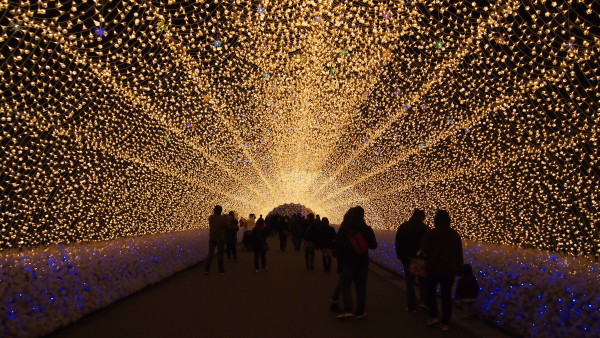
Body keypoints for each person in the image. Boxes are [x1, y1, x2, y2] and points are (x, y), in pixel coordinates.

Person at [421, 210, 463, 331]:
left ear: (436, 220)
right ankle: (445, 323)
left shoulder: (431, 234)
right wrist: (459, 269)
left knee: (430, 293)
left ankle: (434, 316)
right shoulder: (454, 234)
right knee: (446, 296)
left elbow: (424, 251)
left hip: (433, 269)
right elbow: (458, 254)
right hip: (449, 270)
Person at [335, 206, 377, 320]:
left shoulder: (345, 228)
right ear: (363, 215)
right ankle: (360, 312)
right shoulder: (367, 229)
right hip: (362, 262)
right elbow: (374, 245)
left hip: (347, 262)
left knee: (346, 286)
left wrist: (340, 258)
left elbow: (337, 245)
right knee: (361, 287)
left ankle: (348, 310)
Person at [395, 209, 429, 312]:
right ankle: (423, 302)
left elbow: (398, 242)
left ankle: (411, 306)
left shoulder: (403, 226)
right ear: (421, 217)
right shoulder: (424, 228)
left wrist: (400, 256)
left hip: (407, 258)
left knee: (410, 283)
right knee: (422, 282)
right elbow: (427, 245)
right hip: (419, 259)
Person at [205, 205, 227, 274]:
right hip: (220, 238)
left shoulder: (211, 217)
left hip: (212, 237)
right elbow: (225, 226)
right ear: (220, 211)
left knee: (210, 253)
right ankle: (220, 270)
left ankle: (207, 270)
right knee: (220, 254)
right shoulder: (222, 218)